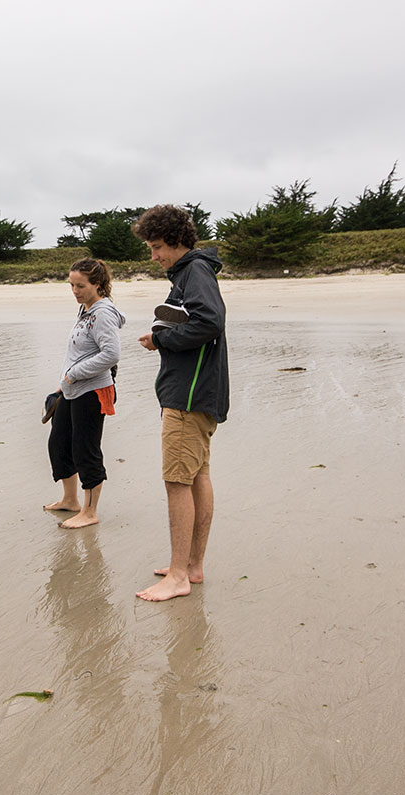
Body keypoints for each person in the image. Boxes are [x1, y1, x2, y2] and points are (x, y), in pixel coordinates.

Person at [132, 205, 229, 601]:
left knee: (177, 481)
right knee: (197, 476)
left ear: (177, 242)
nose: (153, 257)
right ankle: (192, 565)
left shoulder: (194, 271)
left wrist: (161, 340)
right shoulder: (193, 271)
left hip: (188, 396)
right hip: (200, 392)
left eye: (157, 248)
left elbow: (209, 322)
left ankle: (177, 576)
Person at [43, 257, 126, 529]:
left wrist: (74, 374)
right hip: (71, 389)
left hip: (93, 391)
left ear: (98, 284)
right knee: (59, 442)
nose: (75, 291)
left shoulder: (103, 313)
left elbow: (111, 355)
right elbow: (80, 351)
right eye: (71, 285)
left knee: (85, 449)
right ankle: (70, 500)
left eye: (80, 286)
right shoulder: (85, 309)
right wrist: (63, 384)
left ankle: (90, 512)